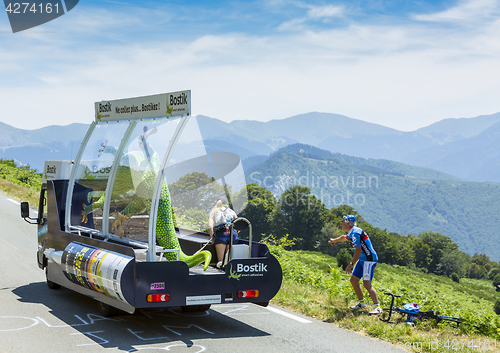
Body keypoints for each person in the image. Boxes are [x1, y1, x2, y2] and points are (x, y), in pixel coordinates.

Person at [329, 215, 382, 315]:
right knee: (353, 280)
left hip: (369, 260)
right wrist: (334, 240)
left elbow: (358, 250)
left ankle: (377, 307)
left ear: (348, 223)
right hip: (363, 259)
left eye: (343, 222)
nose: (341, 224)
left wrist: (351, 264)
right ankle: (361, 303)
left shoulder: (356, 233)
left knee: (367, 284)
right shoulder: (352, 232)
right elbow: (344, 238)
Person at [209, 196, 239, 267]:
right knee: (230, 260)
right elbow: (239, 224)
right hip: (232, 235)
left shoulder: (214, 212)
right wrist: (236, 233)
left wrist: (212, 239)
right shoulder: (232, 211)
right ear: (227, 203)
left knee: (221, 262)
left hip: (221, 235)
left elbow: (210, 227)